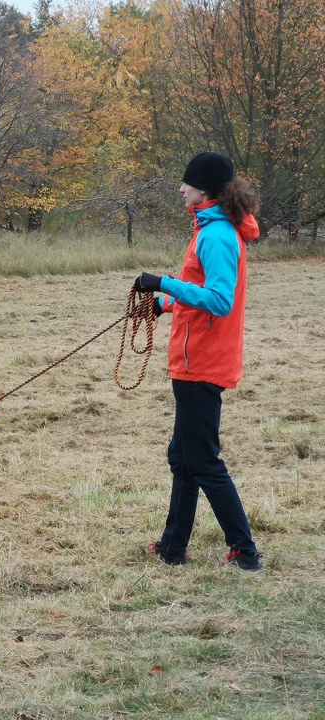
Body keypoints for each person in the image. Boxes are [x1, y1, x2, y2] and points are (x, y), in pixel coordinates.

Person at [135, 151, 263, 571]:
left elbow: (219, 301)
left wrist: (162, 281)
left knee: (203, 460)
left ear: (204, 188)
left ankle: (245, 550)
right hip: (194, 360)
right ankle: (173, 546)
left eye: (186, 182)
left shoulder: (217, 235)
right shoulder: (209, 228)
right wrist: (163, 302)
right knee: (183, 457)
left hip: (202, 363)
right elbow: (198, 290)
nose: (181, 187)